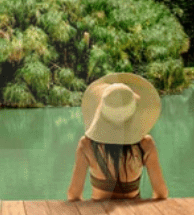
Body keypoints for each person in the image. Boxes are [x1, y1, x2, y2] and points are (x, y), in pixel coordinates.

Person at [67, 72, 168, 201]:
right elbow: (161, 193)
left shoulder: (86, 145)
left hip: (99, 214)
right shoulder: (145, 145)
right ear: (133, 112)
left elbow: (73, 194)